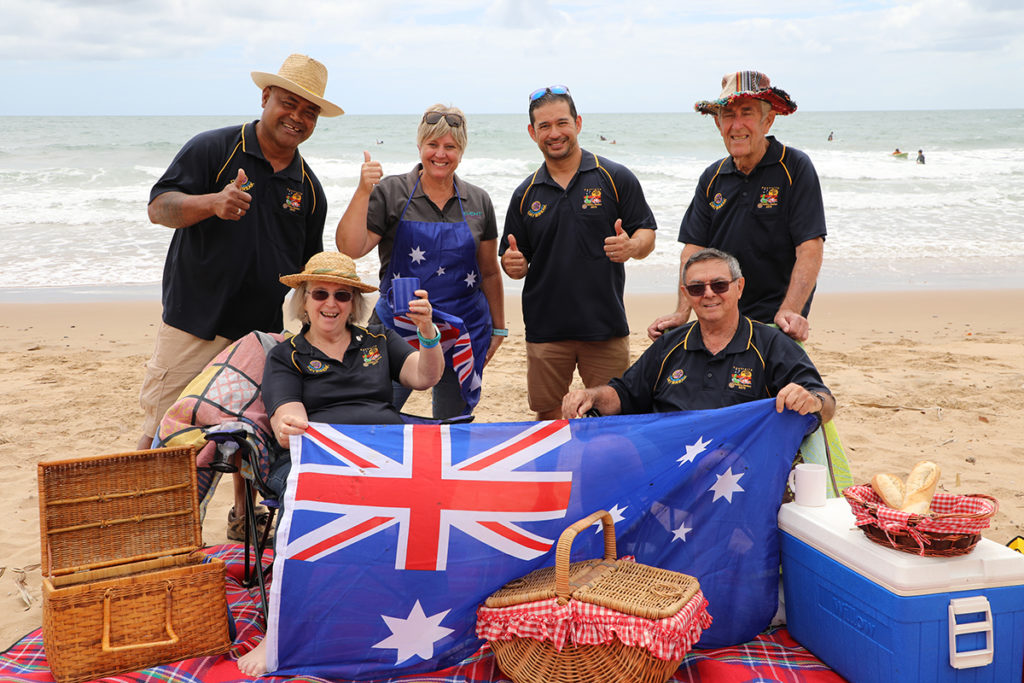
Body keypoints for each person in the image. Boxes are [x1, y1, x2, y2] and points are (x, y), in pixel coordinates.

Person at [138, 54, 342, 541]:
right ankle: (146, 517)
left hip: (258, 333)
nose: (297, 116)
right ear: (265, 98)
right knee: (162, 423)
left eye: (309, 111)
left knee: (247, 431)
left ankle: (243, 519)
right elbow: (158, 207)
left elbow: (305, 274)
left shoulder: (309, 189)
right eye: (288, 102)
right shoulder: (215, 149)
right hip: (194, 318)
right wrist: (213, 203)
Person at [238, 251, 444, 677]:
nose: (330, 304)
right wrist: (288, 422)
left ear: (354, 303)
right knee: (308, 500)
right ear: (303, 300)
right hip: (317, 459)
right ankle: (279, 631)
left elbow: (425, 377)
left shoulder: (379, 341)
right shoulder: (287, 355)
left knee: (441, 492)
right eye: (320, 294)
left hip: (386, 455)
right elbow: (285, 417)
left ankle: (417, 605)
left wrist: (427, 334)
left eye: (342, 296)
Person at [336, 104, 505, 418]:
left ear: (462, 151)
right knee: (375, 415)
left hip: (462, 330)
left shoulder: (478, 201)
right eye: (433, 145)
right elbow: (350, 247)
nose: (440, 154)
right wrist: (362, 191)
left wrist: (499, 329)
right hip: (398, 328)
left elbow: (490, 273)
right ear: (420, 146)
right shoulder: (392, 191)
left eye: (450, 147)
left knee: (453, 426)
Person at [500, 85, 657, 420]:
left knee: (611, 419)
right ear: (532, 133)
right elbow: (515, 260)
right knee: (548, 421)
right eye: (544, 126)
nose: (554, 133)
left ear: (578, 123)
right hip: (545, 331)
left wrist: (631, 246)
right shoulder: (525, 193)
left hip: (605, 326)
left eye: (562, 123)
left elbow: (647, 234)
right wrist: (512, 264)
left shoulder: (614, 177)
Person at [647, 71, 825, 345]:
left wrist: (791, 310)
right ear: (718, 125)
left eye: (747, 113)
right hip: (717, 320)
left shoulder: (794, 167)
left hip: (775, 322)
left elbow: (809, 247)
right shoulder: (712, 177)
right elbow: (692, 251)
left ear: (768, 120)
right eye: (728, 115)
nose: (736, 124)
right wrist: (682, 312)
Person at [563, 249, 835, 422]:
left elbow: (826, 403)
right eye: (696, 288)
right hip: (668, 466)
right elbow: (624, 394)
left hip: (737, 474)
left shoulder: (771, 345)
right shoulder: (670, 344)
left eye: (719, 285)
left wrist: (810, 401)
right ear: (686, 294)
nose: (708, 294)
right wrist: (591, 396)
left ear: (739, 287)